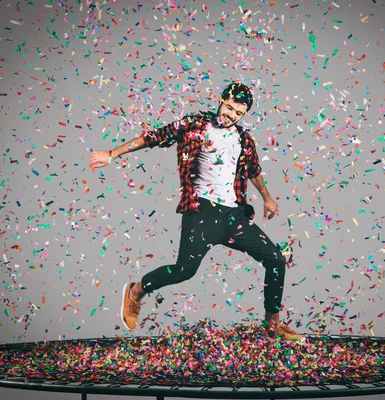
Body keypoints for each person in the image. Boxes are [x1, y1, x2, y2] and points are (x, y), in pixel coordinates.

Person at [90, 82, 302, 340]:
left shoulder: (244, 140)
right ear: (221, 100)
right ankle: (135, 291)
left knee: (276, 259)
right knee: (184, 271)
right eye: (229, 107)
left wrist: (267, 198)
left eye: (238, 113)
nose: (231, 115)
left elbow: (253, 171)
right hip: (201, 211)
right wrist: (112, 154)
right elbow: (153, 137)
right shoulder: (194, 124)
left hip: (234, 215)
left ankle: (272, 326)